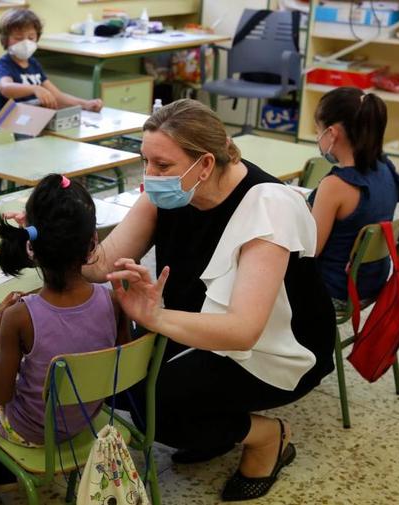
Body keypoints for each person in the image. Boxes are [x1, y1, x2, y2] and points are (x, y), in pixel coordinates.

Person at [84, 99, 336, 501]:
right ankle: (216, 427)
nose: (149, 176)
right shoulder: (171, 188)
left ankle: (268, 437)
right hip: (194, 325)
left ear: (204, 164)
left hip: (279, 349)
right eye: (145, 162)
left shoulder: (267, 205)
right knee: (121, 386)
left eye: (161, 166)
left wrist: (155, 316)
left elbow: (243, 331)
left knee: (156, 406)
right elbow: (104, 262)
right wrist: (47, 237)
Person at [0, 174, 130, 502]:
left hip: (32, 432)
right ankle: (0, 473)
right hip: (87, 419)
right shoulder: (113, 301)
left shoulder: (20, 316)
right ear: (91, 245)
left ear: (32, 248)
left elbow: (0, 394)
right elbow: (122, 364)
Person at [309, 87, 399, 304]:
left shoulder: (335, 185)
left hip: (335, 288)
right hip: (372, 281)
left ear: (332, 133)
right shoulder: (385, 167)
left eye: (318, 130)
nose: (317, 137)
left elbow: (311, 249)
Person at [0, 8, 103, 112]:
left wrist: (85, 104)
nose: (26, 43)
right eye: (18, 38)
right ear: (5, 39)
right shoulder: (5, 64)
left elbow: (57, 95)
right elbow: (5, 88)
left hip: (33, 121)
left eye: (31, 38)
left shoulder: (33, 63)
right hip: (10, 125)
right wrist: (34, 89)